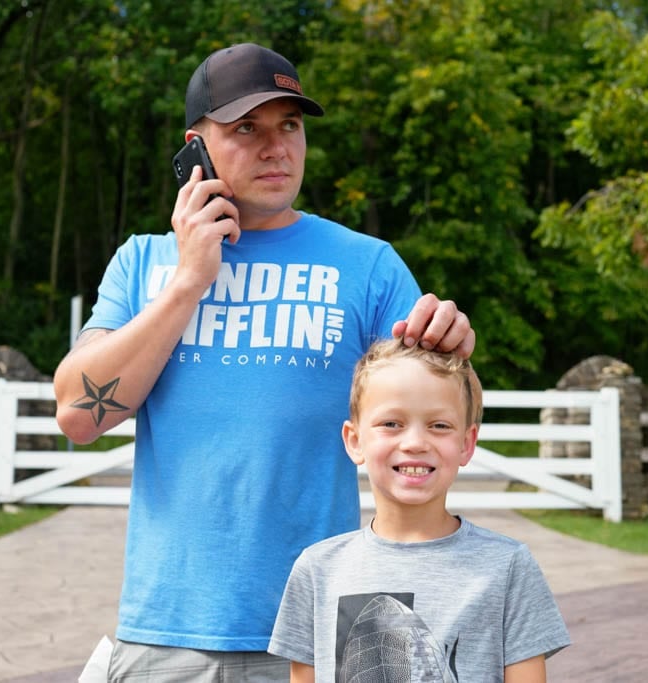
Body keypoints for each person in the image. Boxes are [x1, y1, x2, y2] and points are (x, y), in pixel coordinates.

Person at [53, 42, 475, 681]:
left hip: (315, 630)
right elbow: (79, 414)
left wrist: (454, 347)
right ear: (194, 146)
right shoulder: (141, 263)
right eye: (246, 127)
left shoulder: (367, 264)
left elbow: (445, 415)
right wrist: (188, 280)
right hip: (167, 634)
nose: (276, 147)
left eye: (291, 126)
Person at [267, 338, 570, 682]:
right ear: (355, 441)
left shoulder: (509, 567)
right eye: (391, 424)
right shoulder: (317, 569)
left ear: (466, 444)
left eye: (439, 425)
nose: (414, 443)